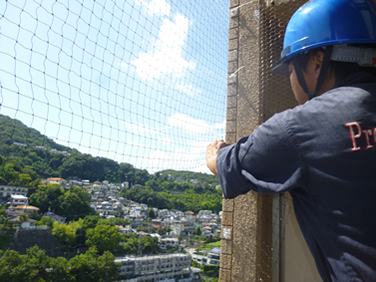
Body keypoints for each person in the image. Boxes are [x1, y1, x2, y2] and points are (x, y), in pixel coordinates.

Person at [206, 0, 376, 281]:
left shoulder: (300, 126)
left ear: (316, 61)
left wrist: (214, 153)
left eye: (291, 69)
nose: (292, 79)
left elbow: (226, 166)